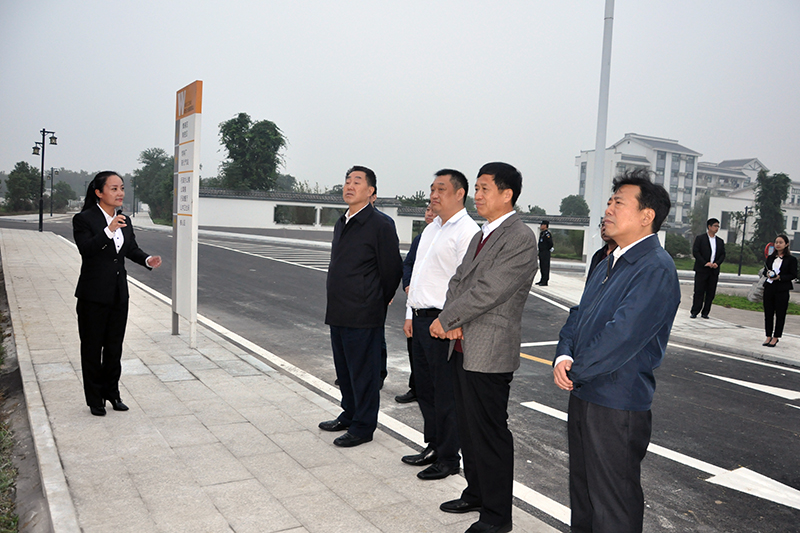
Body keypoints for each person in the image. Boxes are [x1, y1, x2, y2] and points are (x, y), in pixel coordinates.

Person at [553, 169, 680, 533]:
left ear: (647, 215)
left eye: (618, 202)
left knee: (613, 503)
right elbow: (579, 314)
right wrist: (563, 354)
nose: (608, 209)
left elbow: (622, 336)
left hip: (617, 403)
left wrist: (575, 368)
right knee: (584, 494)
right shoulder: (610, 261)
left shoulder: (655, 267)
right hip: (586, 392)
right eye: (609, 201)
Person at [431, 162, 538, 533]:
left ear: (507, 194)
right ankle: (475, 493)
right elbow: (459, 281)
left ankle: (496, 517)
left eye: (484, 188)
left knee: (490, 434)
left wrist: (448, 320)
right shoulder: (482, 235)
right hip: (463, 346)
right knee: (469, 428)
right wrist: (454, 321)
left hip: (490, 351)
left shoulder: (520, 238)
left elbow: (491, 291)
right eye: (475, 188)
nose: (477, 196)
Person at [402, 170, 480, 480]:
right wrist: (409, 315)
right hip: (420, 320)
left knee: (446, 394)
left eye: (441, 189)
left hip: (443, 323)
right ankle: (433, 445)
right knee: (425, 389)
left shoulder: (467, 231)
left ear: (459, 194)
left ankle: (449, 458)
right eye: (432, 189)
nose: (434, 195)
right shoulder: (432, 229)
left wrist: (451, 321)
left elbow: (467, 284)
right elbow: (418, 275)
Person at [319, 166, 403, 447]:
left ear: (371, 192)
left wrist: (378, 300)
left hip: (364, 311)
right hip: (340, 309)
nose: (349, 185)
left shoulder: (380, 224)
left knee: (364, 373)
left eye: (357, 181)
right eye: (347, 180)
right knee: (344, 370)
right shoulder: (342, 221)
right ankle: (350, 414)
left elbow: (392, 269)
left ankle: (364, 427)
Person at [73, 171, 162, 417]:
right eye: (113, 188)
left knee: (114, 348)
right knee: (92, 348)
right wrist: (109, 230)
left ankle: (112, 393)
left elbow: (130, 248)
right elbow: (87, 250)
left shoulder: (124, 219)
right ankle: (95, 400)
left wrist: (146, 259)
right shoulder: (84, 220)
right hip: (92, 295)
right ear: (99, 192)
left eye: (121, 188)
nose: (120, 193)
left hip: (118, 294)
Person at [396, 203, 436, 404]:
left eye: (433, 211)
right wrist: (408, 285)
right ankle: (416, 387)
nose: (429, 214)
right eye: (427, 210)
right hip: (415, 304)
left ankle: (428, 390)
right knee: (415, 351)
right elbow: (409, 264)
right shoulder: (422, 238)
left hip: (436, 310)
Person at [762, 234, 797, 347]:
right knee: (768, 313)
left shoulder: (791, 259)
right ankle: (768, 336)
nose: (778, 244)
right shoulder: (771, 257)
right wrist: (767, 274)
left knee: (780, 314)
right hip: (769, 287)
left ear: (786, 244)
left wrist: (779, 277)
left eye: (780, 242)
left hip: (782, 289)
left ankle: (776, 337)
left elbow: (793, 275)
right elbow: (765, 270)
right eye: (776, 242)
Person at [690, 218, 725, 319]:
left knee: (710, 292)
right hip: (702, 269)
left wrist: (716, 263)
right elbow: (696, 252)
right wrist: (705, 263)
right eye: (715, 226)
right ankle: (695, 311)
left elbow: (722, 254)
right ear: (709, 227)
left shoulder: (720, 241)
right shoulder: (700, 238)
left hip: (713, 271)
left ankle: (705, 312)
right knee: (699, 291)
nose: (717, 228)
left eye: (718, 226)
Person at [586, 216, 617, 280]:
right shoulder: (598, 255)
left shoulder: (623, 255)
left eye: (608, 225)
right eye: (602, 225)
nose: (604, 228)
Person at [535, 220, 553, 286]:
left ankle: (545, 281)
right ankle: (542, 279)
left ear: (545, 226)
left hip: (545, 252)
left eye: (542, 225)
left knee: (545, 267)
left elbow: (550, 243)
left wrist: (546, 250)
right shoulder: (542, 233)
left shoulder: (547, 234)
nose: (541, 226)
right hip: (541, 252)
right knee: (542, 266)